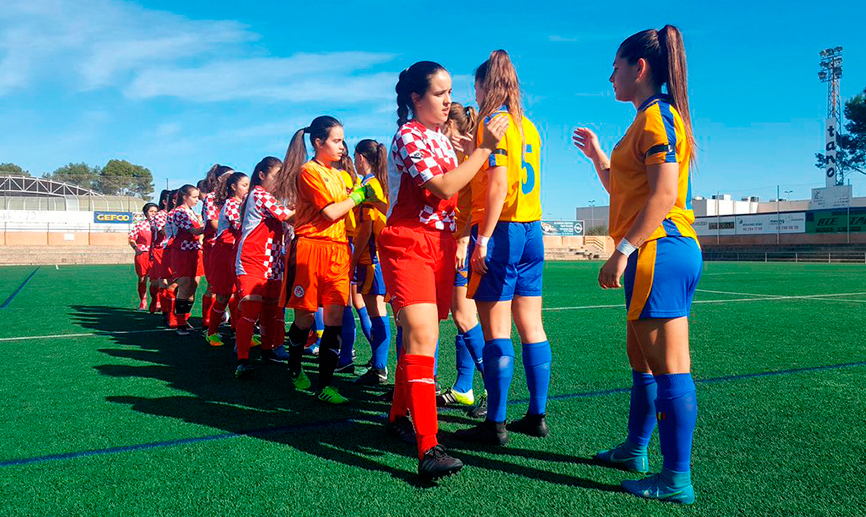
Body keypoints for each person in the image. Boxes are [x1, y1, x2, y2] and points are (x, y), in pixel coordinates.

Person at [572, 25, 700, 504]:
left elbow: (664, 195)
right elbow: (625, 190)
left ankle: (676, 479)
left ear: (639, 68)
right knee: (642, 361)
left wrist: (622, 250)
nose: (611, 77)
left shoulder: (658, 117)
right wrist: (598, 158)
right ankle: (635, 449)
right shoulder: (645, 119)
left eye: (615, 68)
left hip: (658, 250)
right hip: (657, 250)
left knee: (670, 368)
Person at [379, 60, 508, 480]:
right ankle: (428, 447)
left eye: (450, 91)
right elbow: (443, 187)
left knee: (419, 336)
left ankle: (397, 417)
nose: (449, 100)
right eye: (440, 93)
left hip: (440, 244)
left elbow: (465, 190)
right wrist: (483, 150)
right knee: (423, 335)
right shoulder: (407, 136)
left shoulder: (442, 140)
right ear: (416, 98)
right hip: (408, 242)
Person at [454, 50, 552, 446]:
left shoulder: (490, 122)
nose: (474, 94)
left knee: (497, 331)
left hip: (500, 231)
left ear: (483, 85)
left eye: (475, 87)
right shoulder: (529, 125)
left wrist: (482, 239)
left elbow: (497, 184)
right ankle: (537, 415)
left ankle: (494, 424)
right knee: (532, 326)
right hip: (532, 230)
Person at [277, 116, 376, 404]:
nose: (342, 146)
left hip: (338, 250)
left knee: (335, 319)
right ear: (318, 142)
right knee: (306, 318)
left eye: (343, 140)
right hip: (310, 250)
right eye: (336, 141)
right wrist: (360, 195)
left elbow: (346, 210)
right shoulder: (308, 172)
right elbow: (331, 212)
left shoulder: (341, 175)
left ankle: (325, 386)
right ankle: (295, 367)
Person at [436, 103, 487, 415]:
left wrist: (464, 241)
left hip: (464, 246)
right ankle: (464, 387)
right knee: (460, 317)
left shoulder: (469, 161)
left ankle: (494, 391)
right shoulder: (457, 159)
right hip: (453, 243)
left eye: (445, 128)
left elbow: (475, 207)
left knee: (465, 316)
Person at [233, 157, 294, 378]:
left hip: (273, 262)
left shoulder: (270, 198)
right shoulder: (258, 194)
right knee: (251, 309)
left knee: (271, 310)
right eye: (276, 176)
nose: (279, 182)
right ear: (261, 175)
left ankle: (268, 350)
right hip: (252, 260)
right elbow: (288, 216)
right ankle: (242, 359)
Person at [350, 139, 392, 385]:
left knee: (376, 311)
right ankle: (378, 364)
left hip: (370, 257)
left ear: (360, 157)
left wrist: (354, 258)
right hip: (377, 256)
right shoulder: (379, 182)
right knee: (376, 310)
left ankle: (379, 368)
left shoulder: (369, 185)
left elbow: (366, 228)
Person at [205, 172, 249, 347]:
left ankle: (240, 332)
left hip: (235, 252)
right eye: (244, 185)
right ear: (233, 187)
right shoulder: (231, 204)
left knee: (238, 295)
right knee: (223, 294)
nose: (248, 189)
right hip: (224, 253)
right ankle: (212, 333)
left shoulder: (242, 204)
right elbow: (241, 226)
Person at [200, 165, 235, 329]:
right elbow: (214, 223)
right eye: (229, 176)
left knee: (233, 286)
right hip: (214, 246)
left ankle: (235, 323)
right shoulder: (211, 197)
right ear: (220, 179)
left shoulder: (233, 198)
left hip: (232, 245)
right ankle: (207, 322)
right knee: (214, 285)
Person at [168, 185, 205, 335]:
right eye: (194, 197)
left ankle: (185, 319)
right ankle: (180, 323)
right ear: (185, 197)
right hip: (182, 252)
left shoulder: (191, 212)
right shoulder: (179, 212)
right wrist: (214, 224)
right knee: (184, 286)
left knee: (193, 287)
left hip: (195, 251)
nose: (197, 200)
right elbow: (194, 231)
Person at [129, 203, 158, 311]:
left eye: (155, 211)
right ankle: (143, 300)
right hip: (143, 254)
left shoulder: (161, 225)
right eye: (151, 211)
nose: (153, 214)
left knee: (156, 279)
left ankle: (156, 300)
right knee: (142, 278)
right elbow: (131, 238)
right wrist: (136, 248)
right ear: (146, 213)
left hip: (156, 254)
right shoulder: (140, 225)